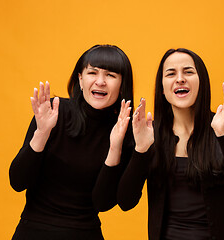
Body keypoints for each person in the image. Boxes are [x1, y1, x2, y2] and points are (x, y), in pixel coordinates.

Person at [117, 48, 224, 240]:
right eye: (171, 73)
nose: (180, 79)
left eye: (188, 72)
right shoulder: (147, 132)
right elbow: (126, 201)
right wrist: (141, 149)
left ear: (202, 82)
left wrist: (222, 135)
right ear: (162, 88)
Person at [9, 44, 134, 240]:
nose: (100, 82)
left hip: (86, 233)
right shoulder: (53, 111)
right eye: (92, 72)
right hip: (34, 230)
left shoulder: (125, 129)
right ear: (80, 79)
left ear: (122, 84)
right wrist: (42, 132)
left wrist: (115, 147)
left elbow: (103, 203)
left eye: (111, 75)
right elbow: (17, 181)